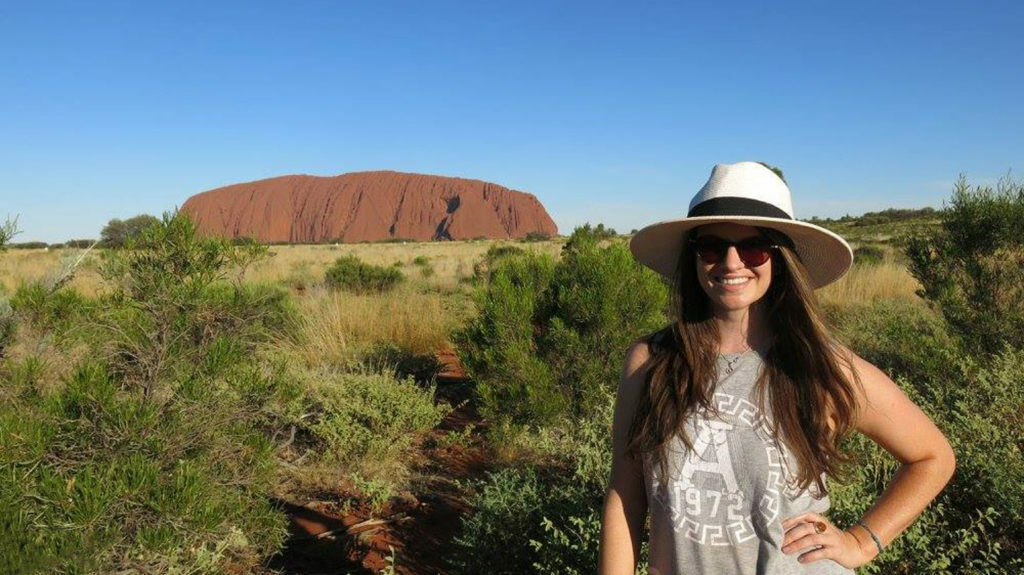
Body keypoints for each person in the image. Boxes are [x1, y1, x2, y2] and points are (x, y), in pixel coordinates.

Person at [598, 162, 956, 575]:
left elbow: (933, 457)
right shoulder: (652, 360)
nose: (732, 263)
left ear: (780, 257)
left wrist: (861, 541)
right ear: (694, 257)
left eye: (754, 247)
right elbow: (625, 494)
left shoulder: (819, 366)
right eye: (712, 247)